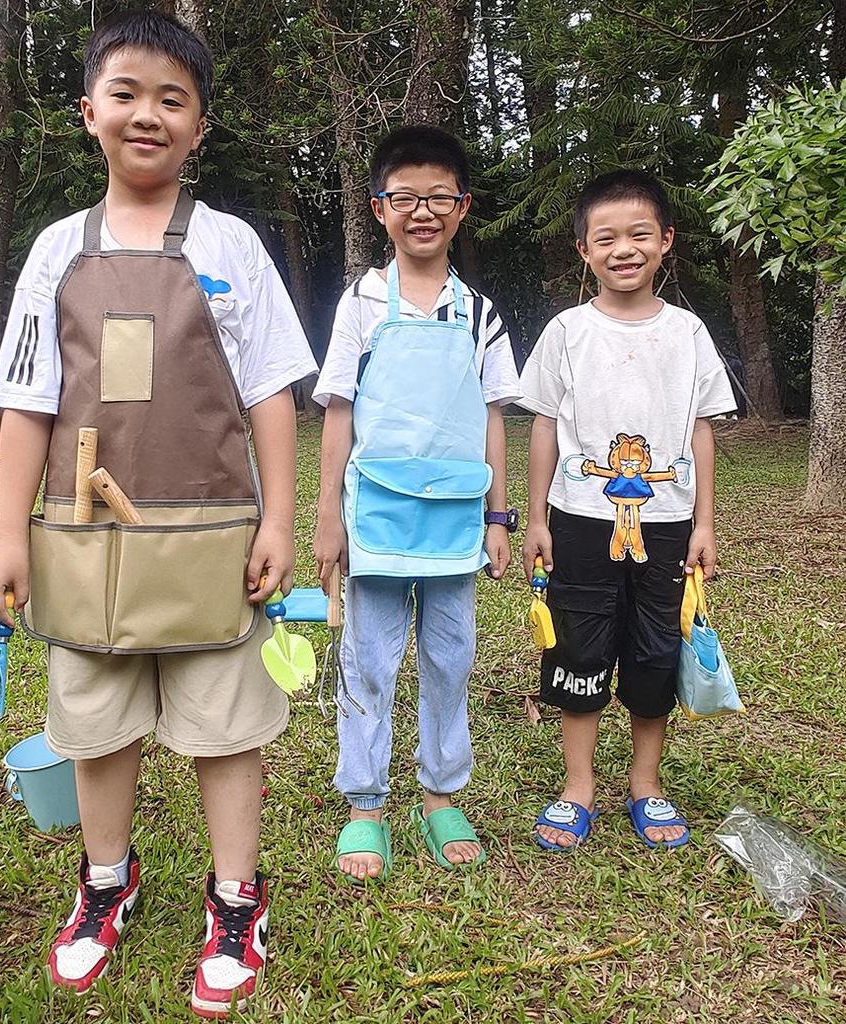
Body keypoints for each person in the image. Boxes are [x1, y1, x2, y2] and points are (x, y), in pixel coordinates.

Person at [0, 11, 316, 1015]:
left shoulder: (232, 245)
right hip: (85, 545)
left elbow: (270, 397)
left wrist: (280, 520)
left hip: (213, 542)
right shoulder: (53, 251)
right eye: (127, 93)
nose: (148, 115)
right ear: (89, 112)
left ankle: (237, 898)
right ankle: (104, 884)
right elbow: (28, 402)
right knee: (96, 726)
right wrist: (5, 537)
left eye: (174, 99)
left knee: (224, 731)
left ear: (200, 126)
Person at [313, 125, 521, 882]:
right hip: (373, 517)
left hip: (457, 519)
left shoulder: (480, 313)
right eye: (405, 197)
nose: (422, 211)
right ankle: (364, 805)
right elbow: (338, 412)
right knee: (367, 662)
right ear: (378, 208)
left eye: (438, 197)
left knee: (449, 657)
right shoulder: (361, 304)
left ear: (462, 208)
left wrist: (500, 518)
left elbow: (495, 414)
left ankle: (440, 794)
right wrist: (325, 516)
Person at [518, 169, 736, 852]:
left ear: (664, 241)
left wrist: (703, 521)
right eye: (605, 237)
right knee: (576, 648)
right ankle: (577, 787)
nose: (623, 249)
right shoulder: (565, 332)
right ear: (583, 250)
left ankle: (645, 784)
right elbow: (545, 425)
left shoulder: (688, 333)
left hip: (667, 525)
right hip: (578, 520)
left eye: (639, 234)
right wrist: (535, 518)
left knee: (653, 650)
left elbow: (701, 427)